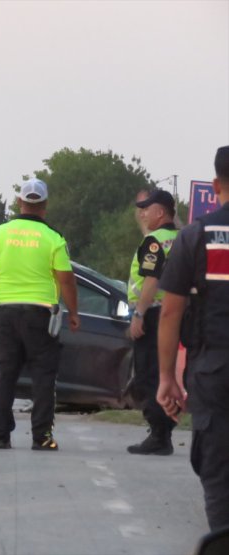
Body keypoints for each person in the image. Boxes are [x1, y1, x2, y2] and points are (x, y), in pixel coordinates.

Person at [0, 178, 79, 451]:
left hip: (6, 313)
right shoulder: (54, 238)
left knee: (4, 374)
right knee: (44, 376)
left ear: (20, 202)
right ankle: (41, 436)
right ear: (44, 205)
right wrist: (73, 313)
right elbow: (66, 280)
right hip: (41, 315)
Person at [157, 145, 229, 531]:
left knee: (218, 469)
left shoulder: (196, 236)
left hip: (214, 370)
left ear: (216, 184)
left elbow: (171, 312)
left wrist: (167, 378)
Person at [126, 188, 178, 455]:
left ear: (160, 212)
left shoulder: (154, 241)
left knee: (148, 374)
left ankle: (158, 435)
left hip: (154, 312)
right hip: (177, 314)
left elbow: (151, 279)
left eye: (147, 208)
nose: (143, 213)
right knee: (167, 373)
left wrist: (139, 314)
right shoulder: (182, 237)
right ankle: (165, 432)